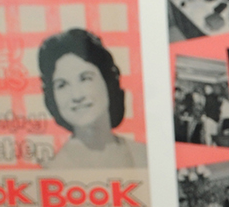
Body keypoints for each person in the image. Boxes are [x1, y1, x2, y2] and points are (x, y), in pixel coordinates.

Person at [37, 28, 148, 169]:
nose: (77, 96)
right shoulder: (50, 171)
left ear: (107, 81)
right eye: (62, 85)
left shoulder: (145, 156)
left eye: (85, 79)